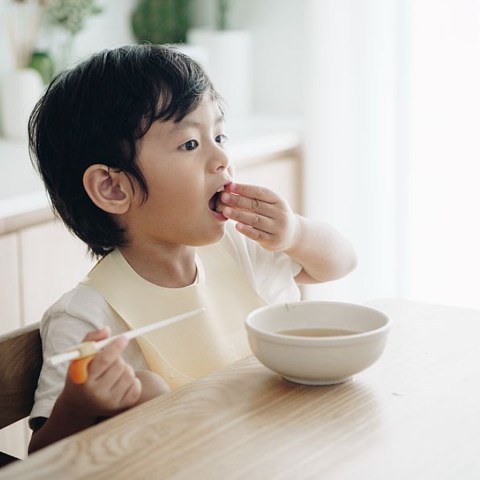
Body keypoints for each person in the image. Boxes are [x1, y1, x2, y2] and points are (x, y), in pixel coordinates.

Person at [27, 44, 356, 453]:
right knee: (149, 390)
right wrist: (78, 406)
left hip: (278, 455)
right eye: (190, 144)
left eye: (218, 135)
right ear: (113, 187)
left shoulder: (243, 250)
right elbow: (41, 459)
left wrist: (296, 234)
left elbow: (340, 263)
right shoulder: (87, 316)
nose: (222, 158)